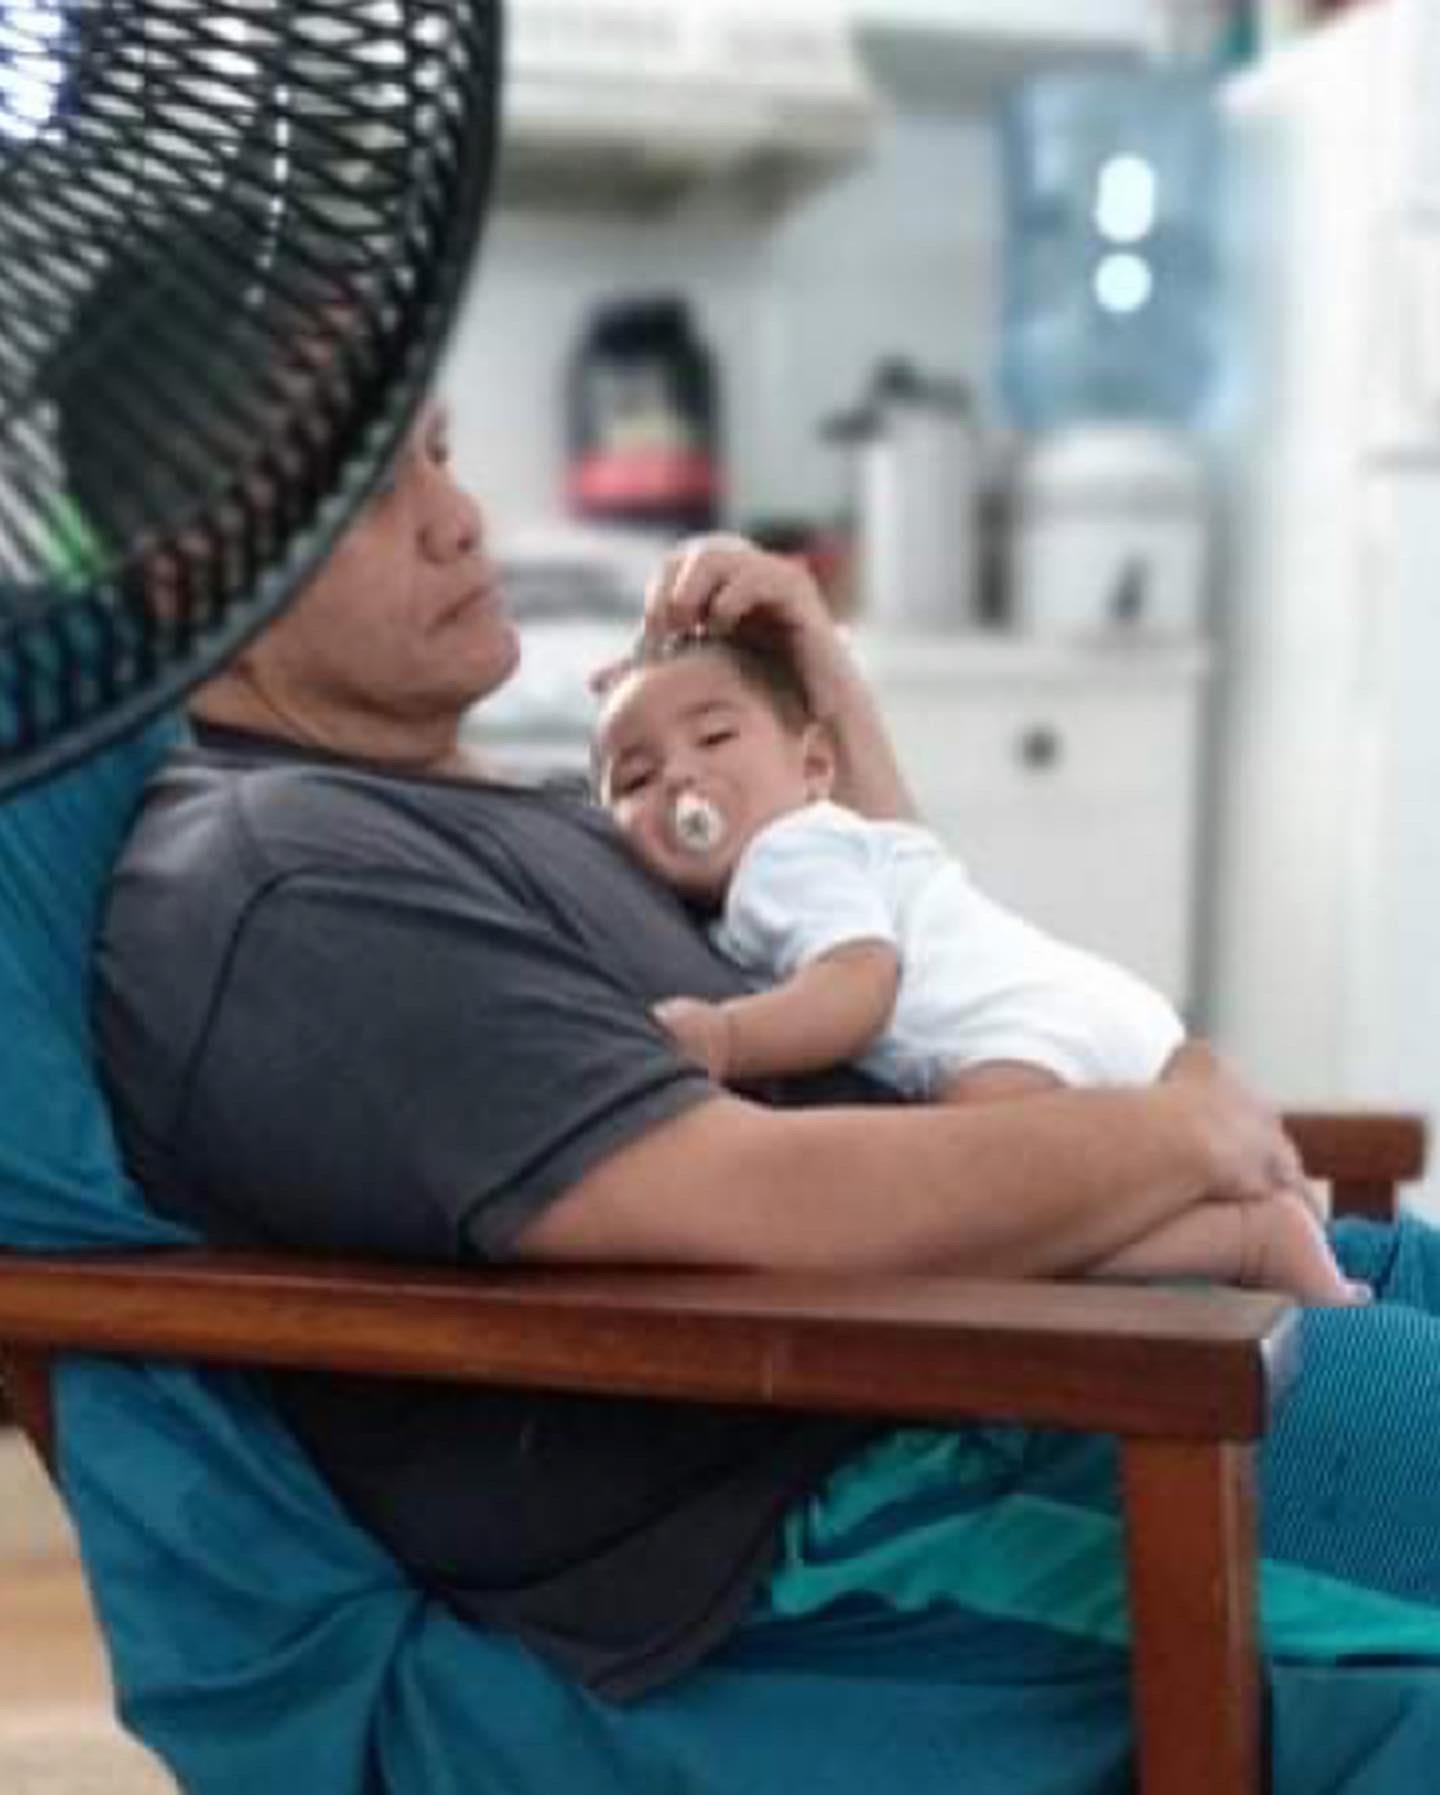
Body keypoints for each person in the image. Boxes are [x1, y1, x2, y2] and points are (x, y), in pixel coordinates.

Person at [94, 399, 1440, 1789]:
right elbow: (757, 1200)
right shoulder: (295, 884)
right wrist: (1171, 1134)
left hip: (1062, 1309)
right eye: (376, 490)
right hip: (912, 1453)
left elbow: (908, 956)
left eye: (437, 452)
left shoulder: (515, 810)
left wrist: (827, 698)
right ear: (204, 576)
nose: (461, 518)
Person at [591, 626, 1361, 1306]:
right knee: (1054, 1207)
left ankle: (1248, 1239)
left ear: (815, 763)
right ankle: (1281, 1232)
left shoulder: (786, 857)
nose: (680, 777)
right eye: (635, 778)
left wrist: (725, 1036)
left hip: (1020, 1036)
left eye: (715, 737)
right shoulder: (845, 843)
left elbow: (860, 983)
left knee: (980, 1225)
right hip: (1099, 1010)